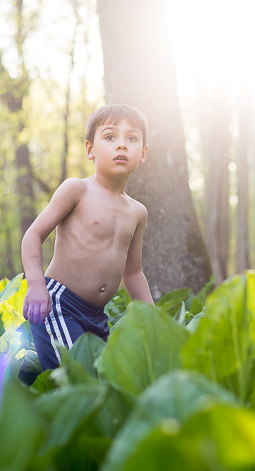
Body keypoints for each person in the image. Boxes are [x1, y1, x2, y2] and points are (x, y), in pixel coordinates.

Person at [19, 103, 154, 382]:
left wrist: (154, 320)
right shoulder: (77, 190)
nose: (121, 146)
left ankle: (26, 381)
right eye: (110, 137)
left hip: (97, 316)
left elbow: (133, 273)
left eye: (131, 138)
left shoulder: (137, 212)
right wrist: (35, 285)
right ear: (90, 149)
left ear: (143, 154)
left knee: (105, 382)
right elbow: (33, 235)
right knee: (82, 381)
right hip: (57, 304)